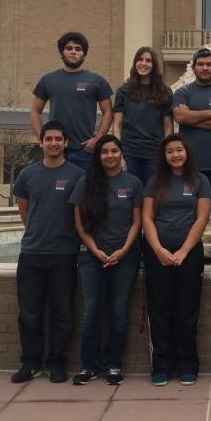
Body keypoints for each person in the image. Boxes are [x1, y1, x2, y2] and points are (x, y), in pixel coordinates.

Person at [10, 120, 85, 384]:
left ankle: (56, 363)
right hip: (32, 253)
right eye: (49, 139)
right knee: (29, 312)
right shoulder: (27, 175)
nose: (54, 143)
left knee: (62, 311)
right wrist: (37, 233)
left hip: (64, 254)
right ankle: (30, 363)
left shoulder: (77, 175)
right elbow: (24, 210)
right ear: (40, 143)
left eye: (58, 139)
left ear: (66, 143)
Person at [69, 135, 143, 386]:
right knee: (91, 312)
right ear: (98, 156)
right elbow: (80, 225)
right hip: (92, 257)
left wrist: (123, 250)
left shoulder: (133, 183)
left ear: (121, 153)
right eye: (104, 152)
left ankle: (114, 365)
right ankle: (88, 365)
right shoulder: (85, 183)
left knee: (119, 311)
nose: (110, 156)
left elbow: (137, 222)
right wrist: (95, 250)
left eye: (114, 151)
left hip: (125, 256)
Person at [142, 134, 211, 387]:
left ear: (187, 152)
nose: (175, 155)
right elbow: (147, 219)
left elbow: (202, 218)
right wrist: (159, 249)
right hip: (157, 252)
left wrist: (183, 251)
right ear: (164, 156)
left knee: (187, 310)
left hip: (189, 253)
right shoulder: (154, 182)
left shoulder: (200, 181)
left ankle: (187, 364)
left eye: (179, 150)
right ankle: (161, 365)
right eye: (169, 151)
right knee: (159, 310)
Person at [172, 48, 211, 264]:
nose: (205, 68)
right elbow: (180, 116)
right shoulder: (183, 92)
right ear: (194, 67)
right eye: (201, 64)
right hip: (188, 165)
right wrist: (210, 113)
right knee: (188, 208)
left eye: (209, 64)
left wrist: (193, 116)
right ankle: (186, 251)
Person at [31, 32, 113, 169]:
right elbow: (35, 111)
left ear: (84, 54)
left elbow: (108, 112)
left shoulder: (97, 81)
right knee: (56, 190)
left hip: (85, 150)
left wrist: (97, 139)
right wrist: (42, 138)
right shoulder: (48, 80)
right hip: (56, 149)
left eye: (78, 49)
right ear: (62, 53)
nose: (73, 52)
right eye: (69, 48)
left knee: (85, 190)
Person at [113, 45, 173, 184]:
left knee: (151, 193)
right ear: (135, 63)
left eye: (148, 60)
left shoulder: (164, 91)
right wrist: (119, 152)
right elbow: (117, 124)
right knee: (131, 193)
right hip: (129, 152)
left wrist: (166, 152)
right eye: (140, 60)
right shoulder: (124, 90)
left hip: (154, 153)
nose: (143, 64)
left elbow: (168, 126)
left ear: (154, 65)